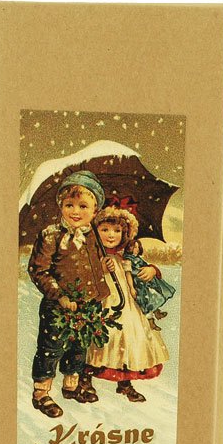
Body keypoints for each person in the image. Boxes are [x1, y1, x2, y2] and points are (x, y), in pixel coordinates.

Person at [27, 170, 109, 417]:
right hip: (58, 305)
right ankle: (41, 392)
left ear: (95, 211)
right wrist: (59, 295)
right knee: (51, 346)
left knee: (79, 346)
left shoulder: (94, 236)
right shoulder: (51, 235)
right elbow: (38, 270)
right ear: (61, 206)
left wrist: (104, 270)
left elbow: (94, 267)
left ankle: (71, 385)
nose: (75, 211)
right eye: (69, 205)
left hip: (87, 305)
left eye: (83, 206)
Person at [86, 208, 169, 402]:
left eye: (117, 231)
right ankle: (86, 378)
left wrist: (152, 270)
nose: (111, 235)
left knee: (128, 336)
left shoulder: (124, 256)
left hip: (128, 304)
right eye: (105, 230)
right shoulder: (91, 254)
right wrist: (99, 268)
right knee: (101, 337)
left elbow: (141, 267)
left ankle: (124, 382)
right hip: (102, 301)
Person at [124, 238, 176, 331]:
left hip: (146, 283)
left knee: (154, 296)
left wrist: (151, 269)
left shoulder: (138, 258)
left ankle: (157, 312)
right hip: (139, 285)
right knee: (146, 302)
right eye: (134, 247)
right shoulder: (127, 260)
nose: (137, 249)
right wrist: (131, 287)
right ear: (129, 248)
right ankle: (151, 323)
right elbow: (128, 273)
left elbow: (146, 266)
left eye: (138, 247)